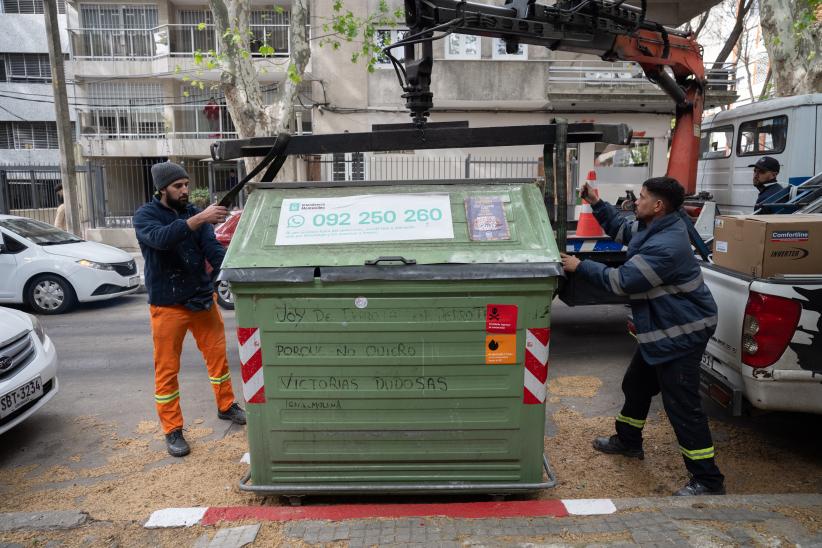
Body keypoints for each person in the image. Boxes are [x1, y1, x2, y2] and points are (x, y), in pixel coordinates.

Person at [560, 176, 725, 496]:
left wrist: (580, 267)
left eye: (643, 197)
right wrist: (596, 203)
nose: (636, 201)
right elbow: (624, 231)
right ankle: (629, 441)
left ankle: (707, 480)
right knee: (635, 385)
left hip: (681, 333)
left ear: (659, 205)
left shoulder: (666, 246)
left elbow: (623, 282)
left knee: (682, 407)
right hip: (661, 331)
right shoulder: (655, 227)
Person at [133, 161, 246, 458]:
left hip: (201, 299)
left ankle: (226, 405)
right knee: (167, 371)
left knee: (218, 359)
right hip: (167, 305)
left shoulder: (194, 214)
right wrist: (200, 219)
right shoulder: (145, 216)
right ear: (162, 189)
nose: (184, 191)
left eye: (186, 185)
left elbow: (213, 251)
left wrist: (240, 273)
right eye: (178, 186)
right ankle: (172, 429)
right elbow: (161, 239)